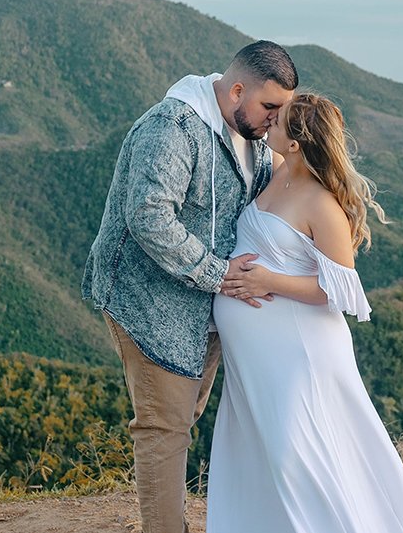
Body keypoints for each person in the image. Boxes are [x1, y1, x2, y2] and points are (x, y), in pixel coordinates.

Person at [84, 40, 298, 533]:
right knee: (164, 430)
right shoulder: (173, 128)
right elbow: (148, 216)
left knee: (181, 419)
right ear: (237, 89)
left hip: (202, 308)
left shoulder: (250, 132)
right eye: (269, 107)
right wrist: (220, 275)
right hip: (151, 303)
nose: (274, 119)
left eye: (282, 110)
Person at [206, 92, 403, 533]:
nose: (268, 122)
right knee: (260, 453)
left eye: (277, 119)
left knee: (294, 455)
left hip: (299, 353)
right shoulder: (276, 174)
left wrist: (268, 281)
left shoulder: (321, 204)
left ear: (295, 143)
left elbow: (341, 291)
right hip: (255, 359)